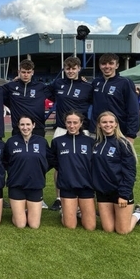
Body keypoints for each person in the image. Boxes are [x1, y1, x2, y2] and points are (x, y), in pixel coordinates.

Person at [46, 56, 94, 211]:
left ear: (79, 69)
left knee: (84, 163)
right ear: (64, 69)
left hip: (82, 129)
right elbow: (43, 92)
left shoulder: (88, 87)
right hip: (61, 128)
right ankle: (59, 197)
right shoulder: (58, 83)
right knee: (59, 165)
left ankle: (83, 193)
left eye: (74, 68)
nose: (71, 71)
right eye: (68, 68)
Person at [92, 111, 140, 234]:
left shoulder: (123, 143)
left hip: (119, 192)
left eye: (111, 122)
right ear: (99, 125)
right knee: (108, 229)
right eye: (104, 122)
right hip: (102, 193)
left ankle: (138, 213)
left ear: (116, 124)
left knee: (123, 230)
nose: (108, 125)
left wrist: (124, 194)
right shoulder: (96, 144)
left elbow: (130, 172)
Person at [48, 112, 96, 230]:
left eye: (75, 122)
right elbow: (53, 160)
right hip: (67, 186)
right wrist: (65, 169)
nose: (72, 125)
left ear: (81, 123)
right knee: (70, 226)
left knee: (90, 226)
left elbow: (95, 163)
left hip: (86, 186)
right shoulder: (57, 142)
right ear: (65, 123)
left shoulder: (90, 141)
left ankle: (78, 210)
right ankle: (65, 211)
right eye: (69, 122)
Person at [3, 116, 49, 229]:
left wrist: (39, 170)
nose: (25, 127)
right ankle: (19, 214)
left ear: (33, 125)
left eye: (28, 124)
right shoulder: (11, 142)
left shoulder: (42, 141)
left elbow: (50, 160)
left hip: (35, 185)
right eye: (22, 125)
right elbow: (4, 161)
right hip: (16, 185)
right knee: (21, 224)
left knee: (34, 225)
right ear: (18, 126)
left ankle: (26, 210)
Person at [90, 53, 140, 142]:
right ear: (99, 66)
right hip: (96, 132)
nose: (107, 66)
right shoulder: (95, 83)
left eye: (111, 63)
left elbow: (133, 110)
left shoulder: (125, 83)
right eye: (104, 64)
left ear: (117, 65)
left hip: (118, 132)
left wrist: (131, 134)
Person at [2, 59, 49, 137]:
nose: (26, 75)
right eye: (23, 72)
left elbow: (59, 95)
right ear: (19, 72)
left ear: (32, 72)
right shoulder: (11, 87)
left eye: (28, 72)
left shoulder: (41, 87)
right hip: (18, 129)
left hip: (37, 129)